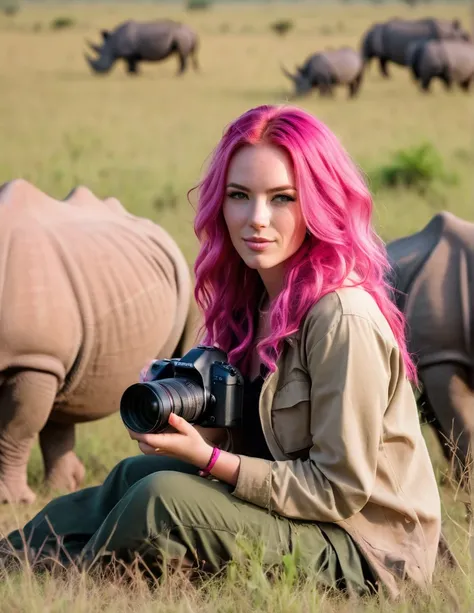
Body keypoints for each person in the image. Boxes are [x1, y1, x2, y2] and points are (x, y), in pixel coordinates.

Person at [1, 105, 441, 600]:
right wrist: (178, 426)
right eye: (239, 196)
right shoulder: (252, 299)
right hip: (297, 517)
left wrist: (209, 461)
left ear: (320, 204)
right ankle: (8, 563)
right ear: (220, 203)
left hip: (366, 551)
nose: (256, 219)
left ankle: (67, 589)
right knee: (136, 473)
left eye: (282, 198)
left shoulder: (342, 318)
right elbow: (255, 438)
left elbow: (336, 491)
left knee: (162, 499)